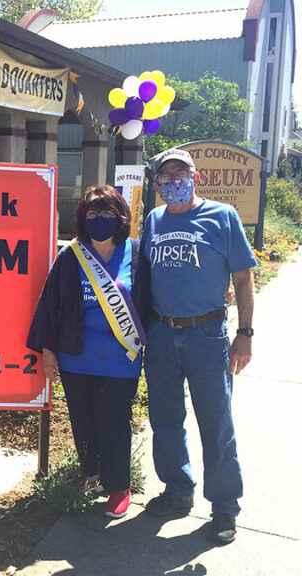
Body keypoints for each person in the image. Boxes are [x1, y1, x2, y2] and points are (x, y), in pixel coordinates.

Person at [142, 148, 256, 545]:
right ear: (156, 184)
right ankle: (177, 490)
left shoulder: (222, 216)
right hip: (160, 333)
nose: (174, 182)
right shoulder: (153, 220)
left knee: (216, 423)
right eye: (166, 177)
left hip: (206, 336)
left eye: (181, 174)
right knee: (165, 418)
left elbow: (242, 279)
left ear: (195, 176)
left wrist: (246, 333)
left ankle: (224, 506)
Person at [28, 185, 149, 519]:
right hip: (76, 356)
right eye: (92, 214)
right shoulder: (72, 255)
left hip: (121, 360)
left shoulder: (137, 254)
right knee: (82, 420)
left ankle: (118, 486)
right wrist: (48, 350)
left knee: (114, 422)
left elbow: (154, 300)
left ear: (121, 217)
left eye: (108, 212)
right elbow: (50, 304)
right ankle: (91, 471)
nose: (100, 219)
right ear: (82, 219)